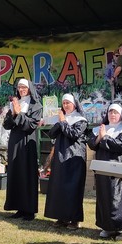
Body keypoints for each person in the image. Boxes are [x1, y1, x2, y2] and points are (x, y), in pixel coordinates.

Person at [88, 102, 122, 240]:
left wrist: (104, 137)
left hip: (120, 171)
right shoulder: (101, 129)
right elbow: (91, 144)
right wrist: (100, 137)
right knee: (105, 198)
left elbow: (120, 146)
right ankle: (108, 227)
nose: (112, 114)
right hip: (103, 171)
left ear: (121, 115)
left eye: (115, 112)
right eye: (110, 112)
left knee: (120, 199)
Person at [43, 93, 89, 229]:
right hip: (60, 157)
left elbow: (73, 134)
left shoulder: (81, 120)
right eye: (63, 103)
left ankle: (75, 220)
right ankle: (61, 217)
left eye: (68, 103)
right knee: (60, 187)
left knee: (73, 188)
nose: (65, 105)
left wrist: (63, 122)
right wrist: (60, 122)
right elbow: (51, 134)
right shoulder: (62, 118)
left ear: (74, 104)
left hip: (74, 157)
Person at [3, 79, 42, 221]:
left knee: (27, 173)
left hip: (27, 141)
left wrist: (19, 114)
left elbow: (31, 125)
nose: (21, 89)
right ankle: (18, 207)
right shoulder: (14, 103)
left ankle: (29, 210)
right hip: (14, 141)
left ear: (29, 88)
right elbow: (6, 125)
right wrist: (13, 114)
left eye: (24, 87)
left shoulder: (35, 105)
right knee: (16, 172)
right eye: (19, 87)